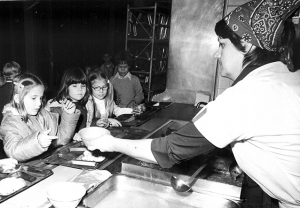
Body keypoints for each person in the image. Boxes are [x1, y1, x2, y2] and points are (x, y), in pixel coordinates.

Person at [85, 1, 300, 208]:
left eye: (222, 45)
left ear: (247, 44)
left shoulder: (249, 93)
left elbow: (168, 150)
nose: (217, 54)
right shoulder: (284, 76)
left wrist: (110, 142)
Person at [0, 73, 80, 162]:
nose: (39, 103)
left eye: (40, 98)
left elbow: (61, 139)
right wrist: (37, 142)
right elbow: (13, 151)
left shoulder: (43, 114)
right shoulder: (9, 123)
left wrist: (69, 115)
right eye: (34, 98)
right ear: (18, 99)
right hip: (27, 171)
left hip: (46, 165)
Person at [46, 67, 91, 133]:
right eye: (75, 86)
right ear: (66, 87)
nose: (80, 89)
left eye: (83, 86)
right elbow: (55, 131)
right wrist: (72, 136)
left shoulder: (85, 104)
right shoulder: (59, 106)